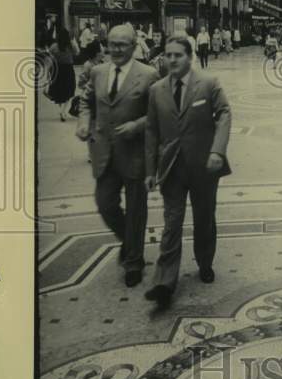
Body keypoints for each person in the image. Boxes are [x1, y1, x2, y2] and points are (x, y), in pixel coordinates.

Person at [144, 36, 232, 308]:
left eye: (177, 55)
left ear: (189, 57)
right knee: (172, 224)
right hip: (171, 167)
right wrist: (150, 170)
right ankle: (164, 281)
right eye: (167, 55)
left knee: (204, 218)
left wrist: (217, 151)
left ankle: (205, 262)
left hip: (204, 166)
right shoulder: (156, 90)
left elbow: (225, 113)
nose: (171, 60)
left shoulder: (208, 83)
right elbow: (151, 131)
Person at [75, 24, 159, 287]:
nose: (116, 49)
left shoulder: (148, 75)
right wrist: (84, 122)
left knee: (136, 211)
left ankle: (134, 262)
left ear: (134, 46)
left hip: (135, 154)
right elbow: (87, 101)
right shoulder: (98, 72)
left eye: (122, 44)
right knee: (105, 204)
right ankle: (130, 241)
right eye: (112, 44)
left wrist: (137, 126)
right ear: (106, 45)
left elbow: (159, 114)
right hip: (104, 152)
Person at [46, 27, 77, 121]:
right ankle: (63, 111)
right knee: (69, 90)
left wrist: (48, 70)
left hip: (57, 69)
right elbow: (77, 53)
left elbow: (49, 57)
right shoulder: (71, 45)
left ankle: (61, 111)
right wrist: (74, 42)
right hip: (68, 69)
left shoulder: (54, 46)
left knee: (59, 90)